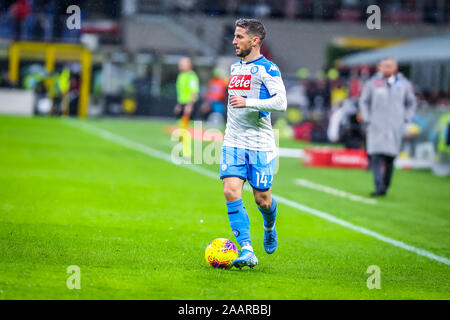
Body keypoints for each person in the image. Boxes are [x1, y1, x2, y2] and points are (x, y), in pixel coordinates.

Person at [220, 18, 287, 269]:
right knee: (230, 191)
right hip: (233, 142)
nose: (234, 41)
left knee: (263, 200)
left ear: (255, 41)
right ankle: (246, 249)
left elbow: (281, 103)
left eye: (239, 37)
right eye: (235, 36)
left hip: (260, 145)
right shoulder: (234, 68)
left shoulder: (268, 69)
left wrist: (248, 103)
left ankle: (269, 226)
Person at [359, 57, 417, 196]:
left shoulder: (403, 85)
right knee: (376, 156)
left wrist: (406, 118)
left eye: (389, 66)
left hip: (395, 126)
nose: (385, 69)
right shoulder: (373, 83)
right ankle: (378, 187)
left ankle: (385, 184)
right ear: (379, 68)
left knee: (390, 158)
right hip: (376, 125)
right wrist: (367, 118)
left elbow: (411, 103)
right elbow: (364, 101)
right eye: (383, 66)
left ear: (395, 68)